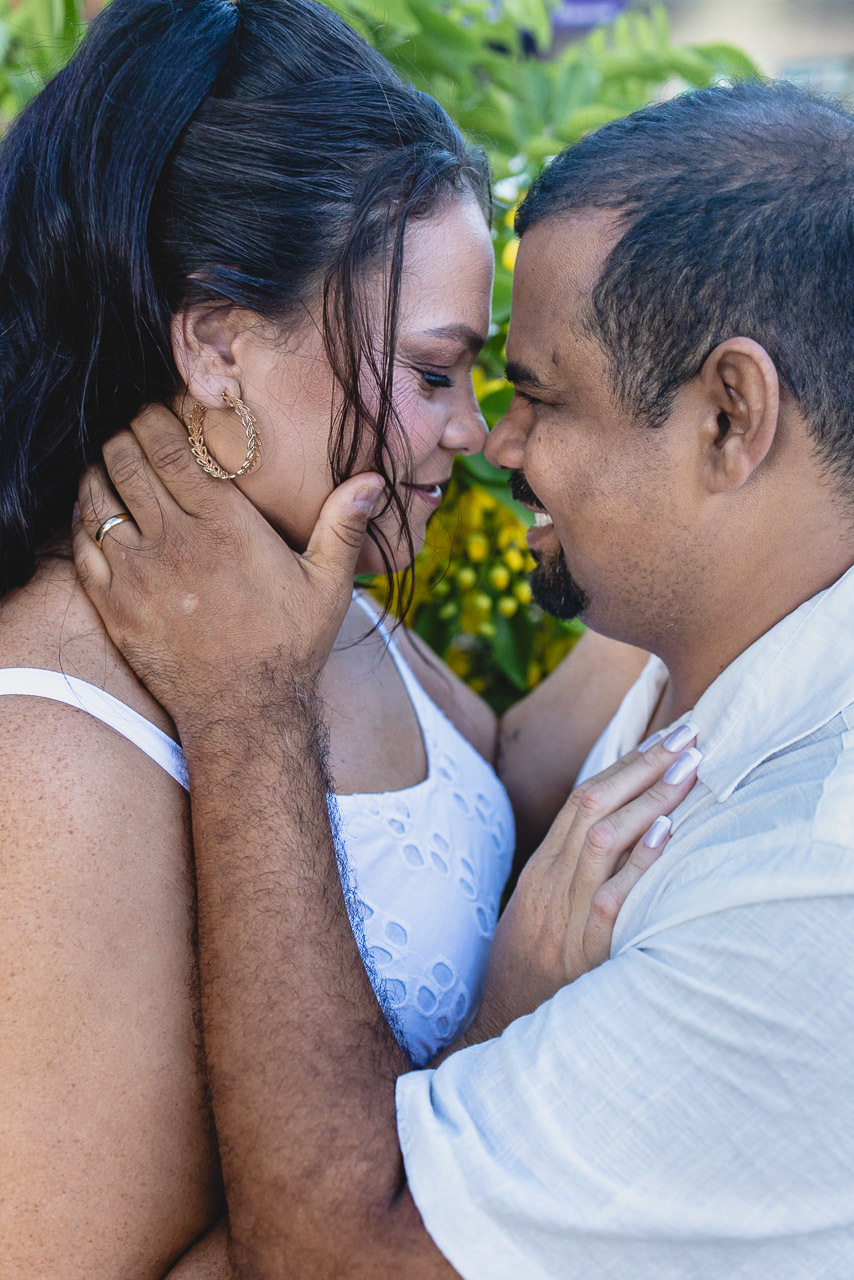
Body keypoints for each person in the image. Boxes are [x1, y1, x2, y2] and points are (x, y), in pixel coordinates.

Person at [75, 78, 854, 1278]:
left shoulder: (813, 875)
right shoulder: (734, 634)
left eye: (536, 393)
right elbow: (504, 769)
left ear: (727, 420)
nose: (492, 439)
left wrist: (246, 711)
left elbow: (342, 1247)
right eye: (441, 374)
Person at [0, 1, 684, 1274]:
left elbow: (499, 777)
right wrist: (502, 1025)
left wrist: (713, 534)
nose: (470, 432)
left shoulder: (321, 585)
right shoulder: (52, 752)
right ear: (215, 346)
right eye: (433, 374)